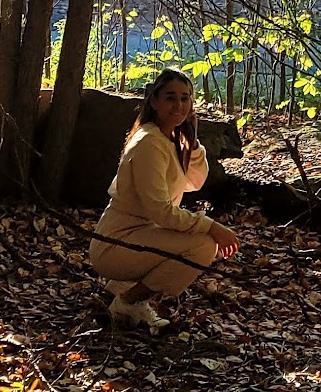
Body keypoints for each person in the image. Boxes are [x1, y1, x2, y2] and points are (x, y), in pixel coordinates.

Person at [88, 69, 239, 332]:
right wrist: (212, 226)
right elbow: (161, 212)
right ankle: (128, 301)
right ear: (154, 102)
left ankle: (124, 287)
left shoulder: (173, 139)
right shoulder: (149, 142)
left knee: (202, 243)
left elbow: (194, 182)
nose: (178, 106)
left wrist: (192, 141)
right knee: (202, 246)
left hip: (142, 236)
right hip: (115, 243)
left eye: (185, 98)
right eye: (170, 98)